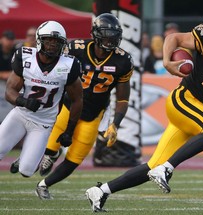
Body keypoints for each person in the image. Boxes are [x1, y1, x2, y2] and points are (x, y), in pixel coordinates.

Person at [85, 6, 203, 212]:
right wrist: (167, 62)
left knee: (152, 166)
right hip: (183, 99)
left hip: (198, 110)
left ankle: (101, 191)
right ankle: (167, 169)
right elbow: (173, 38)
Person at [34, 13, 134, 200]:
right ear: (96, 34)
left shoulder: (123, 60)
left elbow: (122, 99)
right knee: (51, 145)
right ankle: (51, 154)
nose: (111, 40)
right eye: (106, 35)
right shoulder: (75, 49)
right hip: (67, 106)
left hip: (93, 113)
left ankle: (43, 185)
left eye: (114, 36)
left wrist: (116, 124)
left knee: (75, 159)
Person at [0, 21, 83, 177]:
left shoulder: (69, 66)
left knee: (26, 171)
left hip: (43, 123)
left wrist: (69, 131)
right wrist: (23, 101)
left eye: (57, 41)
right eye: (48, 40)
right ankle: (31, 153)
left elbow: (77, 99)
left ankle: (28, 157)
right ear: (39, 40)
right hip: (20, 115)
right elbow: (10, 91)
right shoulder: (25, 57)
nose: (52, 44)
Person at [0, 30, 16, 122]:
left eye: (11, 39)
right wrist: (2, 74)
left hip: (11, 82)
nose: (9, 42)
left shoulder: (15, 51)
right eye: (7, 39)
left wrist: (10, 74)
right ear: (2, 39)